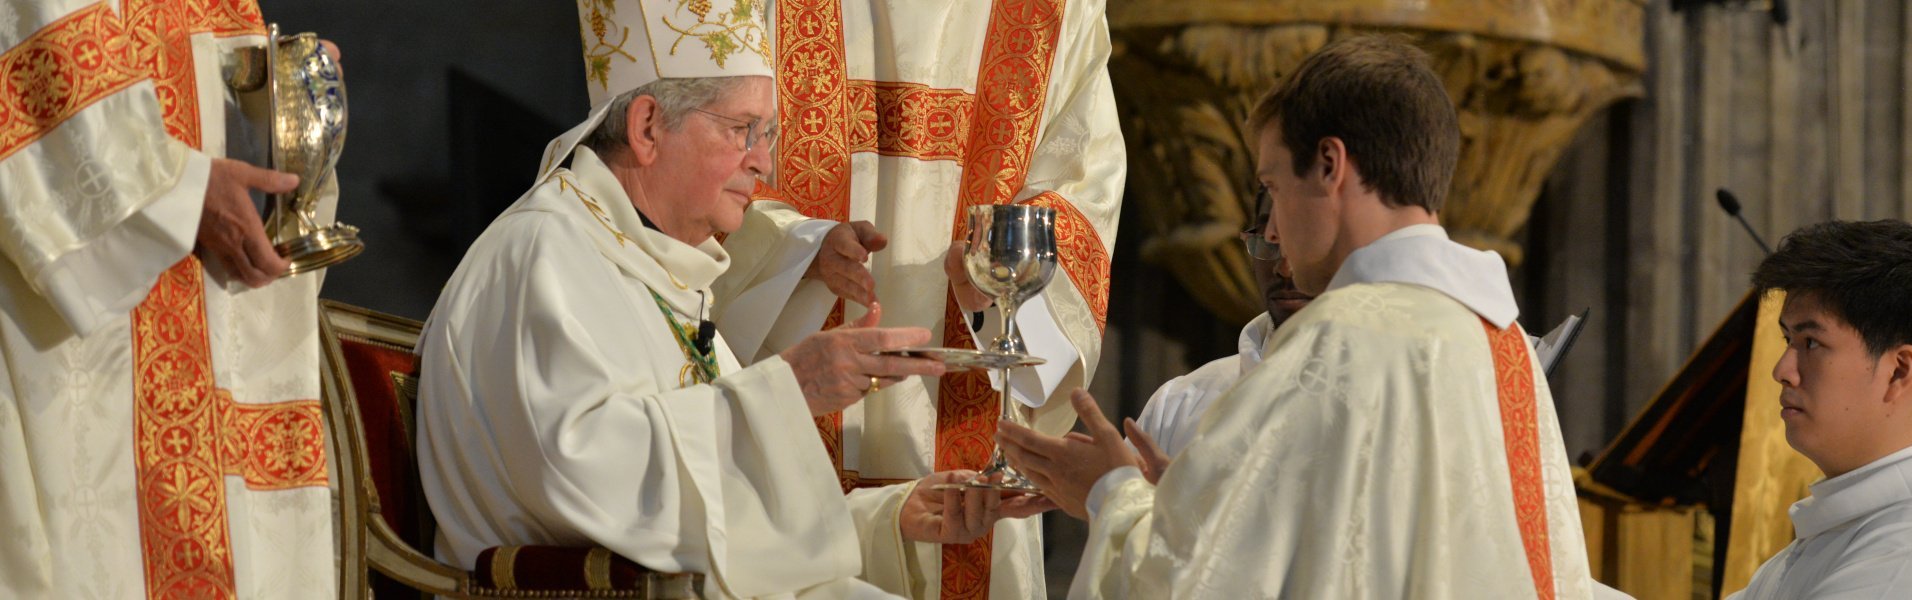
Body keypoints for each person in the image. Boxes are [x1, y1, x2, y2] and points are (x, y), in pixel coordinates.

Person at [416, 2, 1051, 598]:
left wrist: (887, 518)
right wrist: (789, 387)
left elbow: (713, 511)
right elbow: (581, 482)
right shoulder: (544, 255)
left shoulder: (658, 272)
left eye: (769, 133)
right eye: (744, 129)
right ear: (645, 128)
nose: (765, 165)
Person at [996, 36, 1598, 598]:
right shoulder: (1502, 343)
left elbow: (1199, 585)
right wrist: (1194, 502)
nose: (1275, 231)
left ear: (1331, 165)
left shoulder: (1339, 340)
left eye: (1275, 186)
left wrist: (1107, 493)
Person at [708, 1, 1125, 596]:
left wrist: (996, 278)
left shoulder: (1055, 11)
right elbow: (697, 149)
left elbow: (1086, 187)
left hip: (964, 415)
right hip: (793, 386)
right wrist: (800, 251)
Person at [1, 1, 340, 596]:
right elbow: (33, 65)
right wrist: (179, 192)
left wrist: (288, 99)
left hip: (212, 309)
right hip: (93, 340)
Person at [1725, 220, 1912, 599]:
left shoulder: (1904, 554)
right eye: (1787, 339)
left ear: (1899, 371)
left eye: (1811, 343)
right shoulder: (1841, 528)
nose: (1782, 371)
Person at [1127, 188, 1314, 474]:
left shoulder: (1387, 391)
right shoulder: (1177, 405)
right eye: (1267, 240)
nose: (1283, 268)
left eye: (1303, 238)